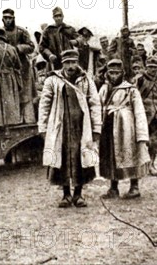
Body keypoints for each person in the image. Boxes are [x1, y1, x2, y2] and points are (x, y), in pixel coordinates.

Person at [38, 49, 101, 208]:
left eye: (73, 62)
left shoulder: (86, 80)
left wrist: (96, 128)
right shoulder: (53, 80)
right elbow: (44, 104)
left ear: (77, 62)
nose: (70, 66)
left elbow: (94, 103)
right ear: (62, 63)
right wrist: (43, 127)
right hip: (61, 127)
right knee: (62, 158)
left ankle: (78, 195)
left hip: (81, 126)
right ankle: (66, 195)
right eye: (67, 62)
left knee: (82, 159)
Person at [98, 59, 150, 199]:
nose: (114, 76)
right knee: (111, 157)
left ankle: (134, 187)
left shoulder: (131, 90)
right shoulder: (104, 89)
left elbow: (139, 111)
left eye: (117, 73)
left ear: (122, 73)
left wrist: (142, 135)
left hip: (127, 128)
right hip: (109, 126)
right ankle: (113, 188)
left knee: (131, 155)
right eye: (111, 73)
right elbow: (98, 106)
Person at [1, 8, 37, 124]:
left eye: (10, 18)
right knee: (10, 96)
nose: (7, 20)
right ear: (2, 19)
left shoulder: (21, 32)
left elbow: (31, 47)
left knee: (25, 95)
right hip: (8, 68)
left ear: (13, 19)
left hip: (22, 68)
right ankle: (14, 121)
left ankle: (28, 119)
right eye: (5, 18)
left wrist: (18, 48)